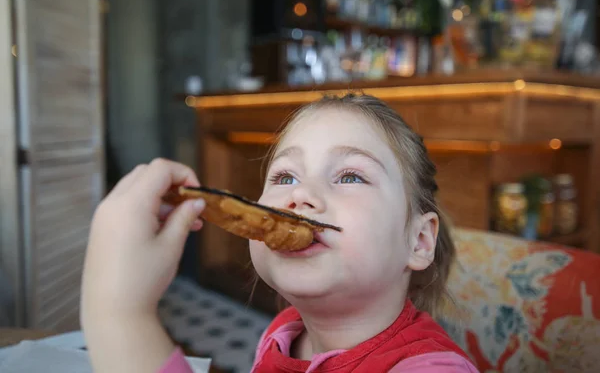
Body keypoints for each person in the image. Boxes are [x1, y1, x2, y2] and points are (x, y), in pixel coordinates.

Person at [81, 93, 479, 373]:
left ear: (418, 241)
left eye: (350, 175)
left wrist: (118, 313)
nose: (300, 194)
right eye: (285, 176)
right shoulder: (282, 333)